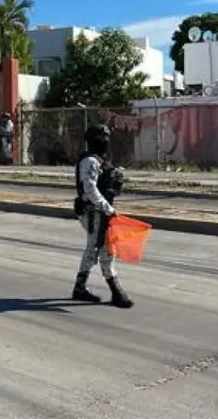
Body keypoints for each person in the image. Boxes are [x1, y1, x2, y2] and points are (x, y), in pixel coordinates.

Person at [71, 123, 133, 308]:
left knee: (100, 248)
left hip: (101, 212)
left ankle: (80, 287)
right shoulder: (90, 161)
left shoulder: (100, 161)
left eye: (106, 138)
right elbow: (89, 189)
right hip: (93, 213)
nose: (105, 142)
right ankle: (115, 290)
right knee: (100, 249)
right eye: (101, 139)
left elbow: (105, 187)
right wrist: (107, 208)